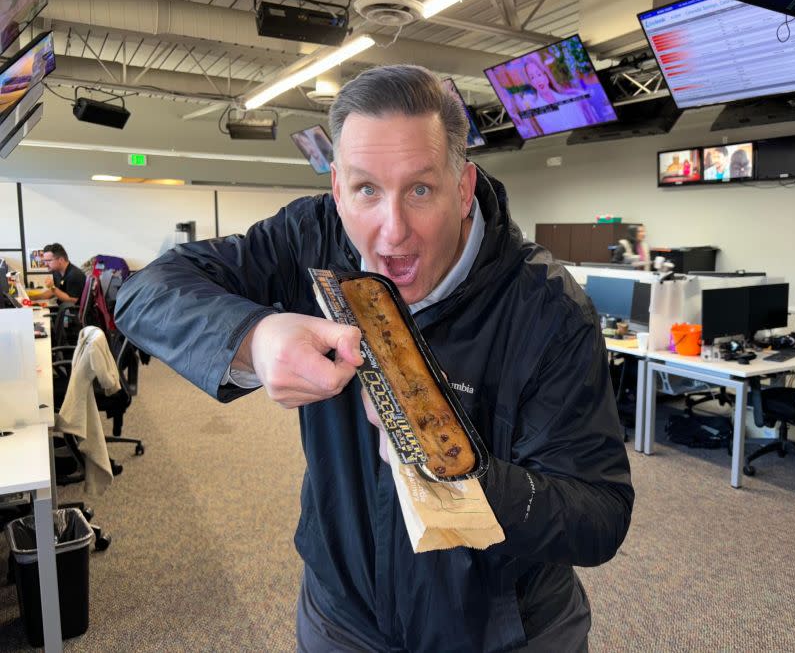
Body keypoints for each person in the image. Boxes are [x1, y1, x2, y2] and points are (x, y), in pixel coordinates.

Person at [115, 65, 634, 652]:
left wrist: (470, 483)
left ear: (463, 189)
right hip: (343, 613)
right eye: (366, 190)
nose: (392, 234)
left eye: (420, 189)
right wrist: (254, 336)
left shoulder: (549, 310)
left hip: (502, 628)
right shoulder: (310, 238)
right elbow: (145, 291)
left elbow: (600, 518)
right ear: (337, 188)